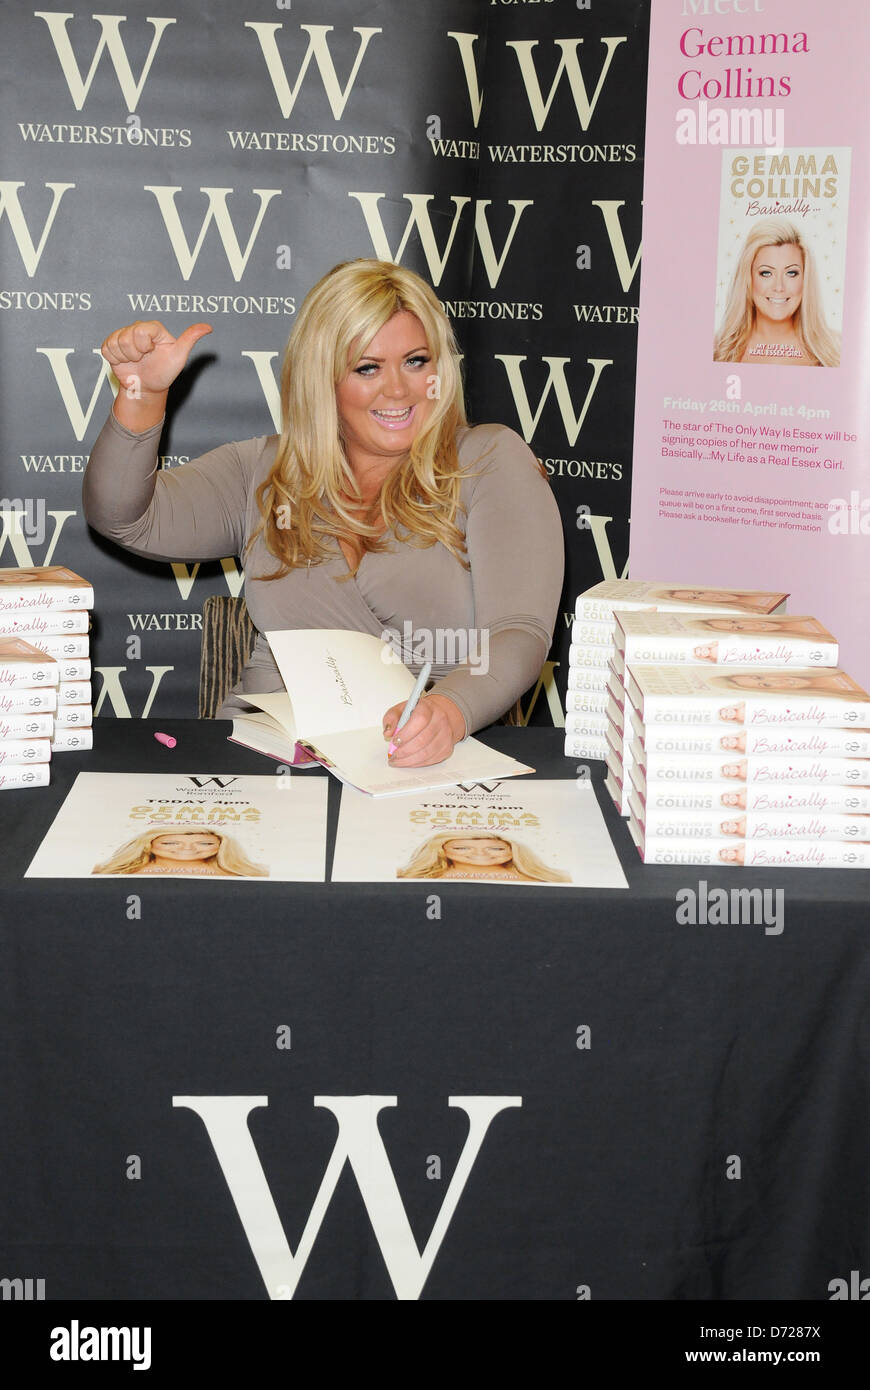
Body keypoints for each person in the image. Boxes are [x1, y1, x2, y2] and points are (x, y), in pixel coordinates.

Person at [83, 259, 564, 768]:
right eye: (368, 367)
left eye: (417, 361)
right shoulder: (262, 471)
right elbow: (123, 516)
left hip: (423, 764)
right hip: (263, 763)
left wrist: (449, 711)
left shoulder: (486, 460)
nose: (398, 390)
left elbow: (519, 631)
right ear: (322, 378)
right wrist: (143, 396)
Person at [713, 219, 840, 366]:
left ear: (805, 278)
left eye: (791, 273)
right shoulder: (717, 349)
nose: (779, 287)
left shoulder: (836, 350)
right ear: (748, 278)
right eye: (766, 273)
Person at [396, 831, 570, 883]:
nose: (480, 853)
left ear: (512, 851)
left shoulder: (555, 878)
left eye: (495, 849)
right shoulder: (407, 875)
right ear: (441, 850)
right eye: (462, 847)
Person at [92, 827, 268, 877]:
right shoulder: (105, 870)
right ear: (148, 845)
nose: (187, 848)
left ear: (221, 847)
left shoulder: (254, 872)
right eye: (170, 842)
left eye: (205, 843)